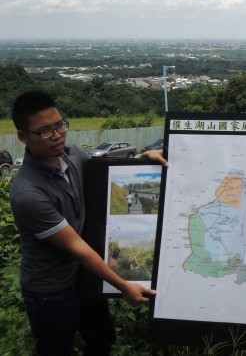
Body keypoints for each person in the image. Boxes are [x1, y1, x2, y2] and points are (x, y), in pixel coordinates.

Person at [9, 91, 167, 356]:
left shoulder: (73, 156)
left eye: (60, 125)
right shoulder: (28, 193)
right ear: (23, 136)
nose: (58, 135)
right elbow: (77, 248)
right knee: (56, 348)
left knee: (102, 337)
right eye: (45, 131)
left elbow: (105, 179)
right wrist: (124, 285)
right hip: (51, 289)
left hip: (85, 277)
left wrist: (142, 160)